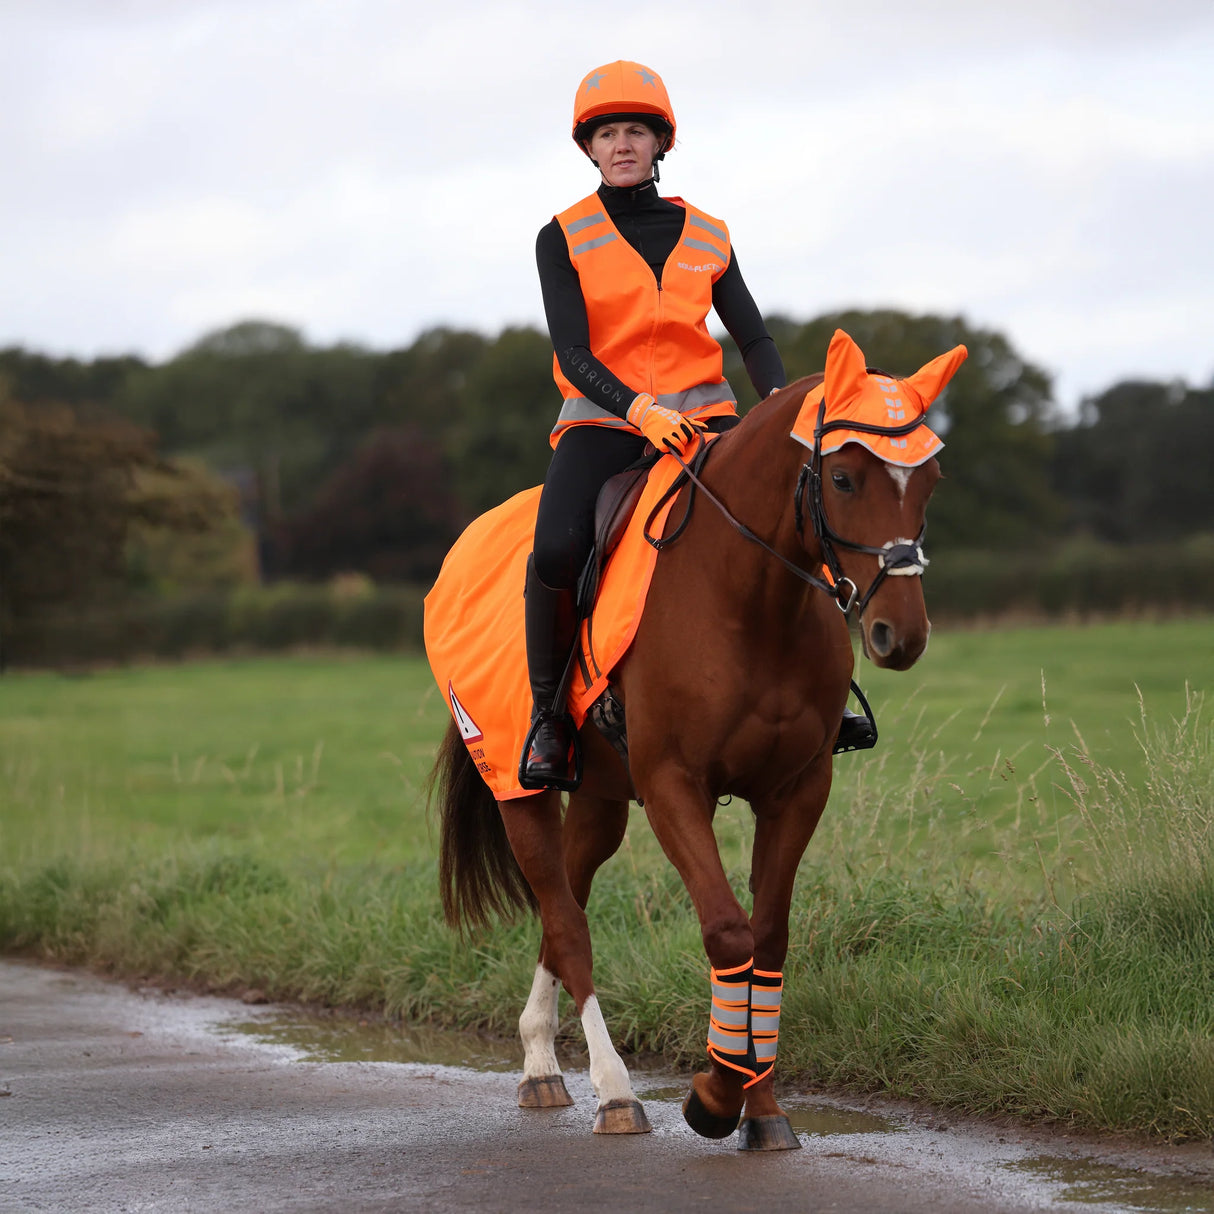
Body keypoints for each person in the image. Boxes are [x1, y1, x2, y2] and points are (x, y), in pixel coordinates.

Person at [520, 59, 871, 791]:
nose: (622, 144)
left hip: (706, 422)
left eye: (637, 132)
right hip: (604, 424)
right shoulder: (561, 237)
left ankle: (831, 698)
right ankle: (549, 719)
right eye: (608, 133)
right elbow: (573, 352)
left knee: (798, 521)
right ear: (589, 147)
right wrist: (637, 411)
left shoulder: (708, 234)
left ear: (660, 144)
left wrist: (781, 410)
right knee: (555, 547)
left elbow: (755, 339)